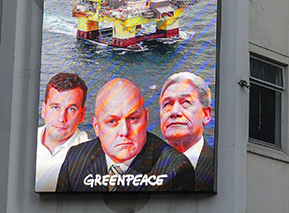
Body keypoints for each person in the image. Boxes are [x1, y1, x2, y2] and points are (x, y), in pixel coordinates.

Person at [56, 78, 195, 192]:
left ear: (146, 118)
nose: (125, 131)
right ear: (97, 127)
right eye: (112, 121)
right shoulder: (75, 159)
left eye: (133, 118)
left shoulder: (175, 169)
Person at [158, 71, 215, 192]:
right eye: (167, 104)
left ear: (206, 114)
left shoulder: (223, 165)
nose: (174, 112)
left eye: (186, 103)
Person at [35, 72, 90, 192]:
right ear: (43, 109)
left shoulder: (91, 157)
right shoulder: (21, 143)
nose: (61, 118)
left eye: (71, 109)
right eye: (55, 107)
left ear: (82, 115)